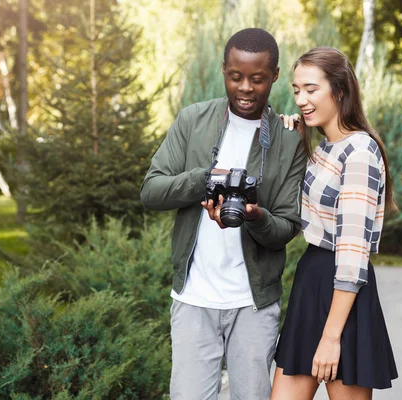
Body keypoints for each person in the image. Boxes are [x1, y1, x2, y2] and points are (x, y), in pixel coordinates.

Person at [140, 28, 306, 399]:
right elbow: (151, 191)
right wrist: (203, 180)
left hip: (253, 303)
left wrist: (254, 216)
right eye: (236, 76)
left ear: (275, 75)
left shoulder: (290, 138)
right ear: (224, 71)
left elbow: (287, 228)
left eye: (257, 78)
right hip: (194, 298)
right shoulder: (192, 120)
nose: (245, 88)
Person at [271, 47, 399, 400]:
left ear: (339, 91)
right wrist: (291, 133)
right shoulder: (326, 146)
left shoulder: (359, 152)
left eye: (311, 89)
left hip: (344, 291)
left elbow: (354, 251)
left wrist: (331, 338)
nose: (301, 99)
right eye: (297, 90)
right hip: (312, 280)